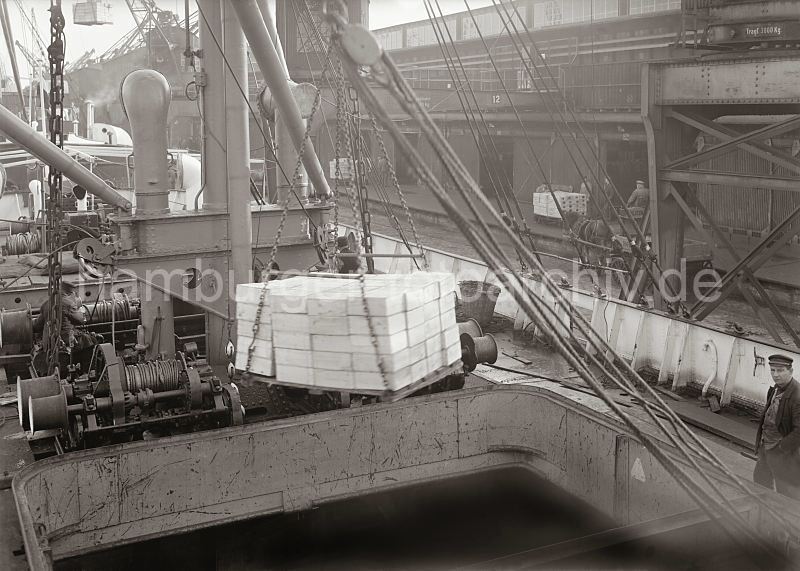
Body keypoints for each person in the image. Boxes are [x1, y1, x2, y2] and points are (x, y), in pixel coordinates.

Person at [753, 354, 800, 500]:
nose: (775, 375)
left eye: (780, 371)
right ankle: (765, 510)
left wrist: (781, 449)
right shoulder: (775, 389)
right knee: (760, 479)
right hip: (766, 445)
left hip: (782, 451)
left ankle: (787, 519)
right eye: (772, 370)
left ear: (791, 371)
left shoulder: (797, 396)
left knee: (786, 491)